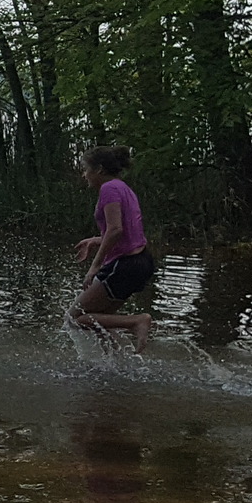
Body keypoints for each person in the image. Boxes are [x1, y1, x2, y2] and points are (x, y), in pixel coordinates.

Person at [70, 144, 152, 351]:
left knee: (74, 318)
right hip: (140, 262)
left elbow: (115, 230)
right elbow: (127, 231)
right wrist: (94, 240)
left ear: (99, 170)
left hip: (124, 265)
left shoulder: (108, 188)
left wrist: (94, 266)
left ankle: (137, 321)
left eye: (86, 169)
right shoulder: (122, 187)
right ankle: (115, 367)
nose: (84, 174)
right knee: (103, 320)